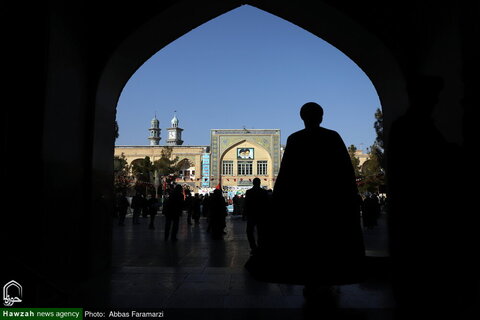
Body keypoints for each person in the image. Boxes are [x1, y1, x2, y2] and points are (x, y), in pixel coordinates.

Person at [245, 102, 365, 293]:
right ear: (322, 116)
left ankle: (312, 287)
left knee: (305, 250)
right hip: (328, 205)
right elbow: (345, 172)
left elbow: (285, 177)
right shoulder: (332, 137)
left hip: (302, 206)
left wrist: (279, 202)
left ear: (302, 117)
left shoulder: (296, 139)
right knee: (327, 249)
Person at [244, 178, 269, 255]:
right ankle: (260, 246)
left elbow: (246, 204)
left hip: (251, 215)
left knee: (249, 231)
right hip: (261, 215)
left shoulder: (249, 192)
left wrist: (245, 213)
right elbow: (267, 204)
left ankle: (253, 247)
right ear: (260, 183)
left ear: (253, 183)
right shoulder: (264, 192)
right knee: (261, 231)